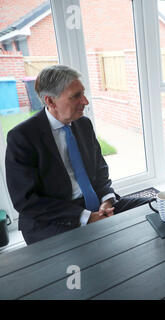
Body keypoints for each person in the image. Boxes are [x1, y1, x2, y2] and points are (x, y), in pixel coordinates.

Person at [5, 65, 148, 245]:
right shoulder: (23, 137)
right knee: (88, 251)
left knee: (154, 206)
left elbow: (100, 171)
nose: (85, 101)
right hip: (53, 218)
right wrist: (86, 217)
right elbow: (26, 201)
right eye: (76, 96)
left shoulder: (83, 124)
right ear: (50, 101)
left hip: (96, 205)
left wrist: (106, 201)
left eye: (83, 93)